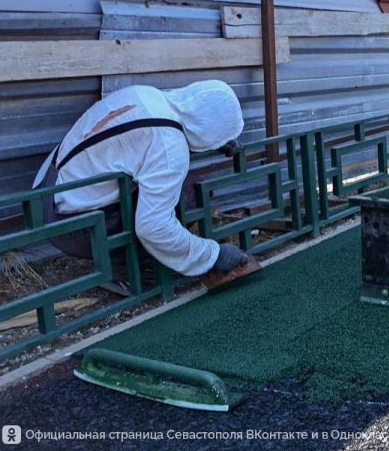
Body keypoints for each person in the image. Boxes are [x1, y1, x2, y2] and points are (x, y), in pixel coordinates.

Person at [33, 80, 253, 293]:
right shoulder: (168, 146)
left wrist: (216, 142)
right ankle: (123, 272)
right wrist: (212, 256)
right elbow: (153, 227)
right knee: (187, 199)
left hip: (44, 193)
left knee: (171, 189)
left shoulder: (146, 94)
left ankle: (133, 259)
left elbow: (146, 144)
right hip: (71, 227)